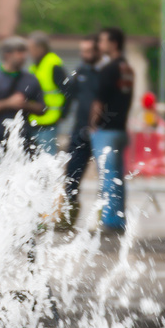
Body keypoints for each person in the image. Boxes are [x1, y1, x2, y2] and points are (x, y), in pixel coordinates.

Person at [0, 37, 45, 172]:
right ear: (7, 54)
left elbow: (42, 108)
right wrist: (8, 103)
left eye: (24, 52)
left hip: (22, 139)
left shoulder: (30, 79)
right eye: (19, 52)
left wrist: (24, 105)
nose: (23, 56)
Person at [92, 26, 134, 233]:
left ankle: (109, 222)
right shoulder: (127, 67)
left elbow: (99, 101)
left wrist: (92, 125)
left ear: (113, 43)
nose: (99, 45)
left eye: (102, 41)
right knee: (117, 178)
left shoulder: (109, 69)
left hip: (106, 131)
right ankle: (118, 220)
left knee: (108, 178)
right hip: (120, 130)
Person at [61, 34, 101, 229]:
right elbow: (67, 98)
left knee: (106, 177)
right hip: (79, 131)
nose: (84, 54)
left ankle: (104, 219)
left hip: (101, 131)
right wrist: (60, 116)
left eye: (88, 51)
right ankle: (67, 218)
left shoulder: (105, 73)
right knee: (72, 175)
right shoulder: (79, 72)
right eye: (82, 51)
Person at [27, 32, 69, 156]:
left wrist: (63, 114)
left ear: (40, 48)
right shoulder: (35, 66)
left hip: (50, 119)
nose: (30, 52)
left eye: (32, 49)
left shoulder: (53, 64)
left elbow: (67, 91)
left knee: (47, 158)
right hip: (35, 119)